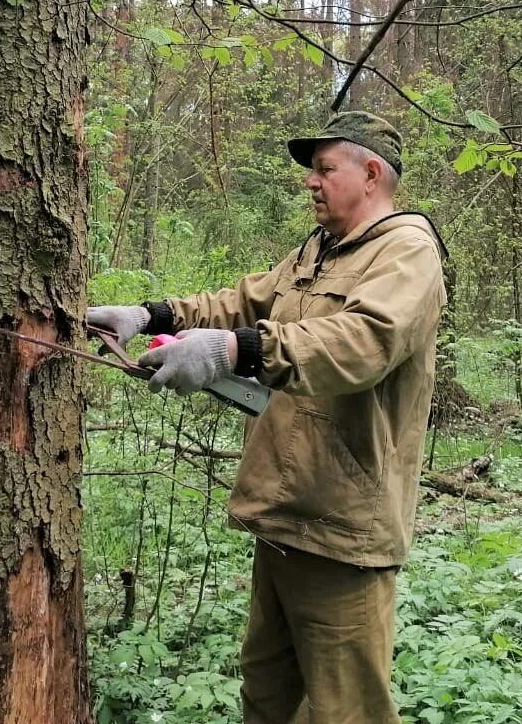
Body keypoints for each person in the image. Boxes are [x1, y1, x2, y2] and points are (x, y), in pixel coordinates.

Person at [87, 111, 447, 724]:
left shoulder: (407, 253)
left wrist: (236, 350)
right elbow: (243, 302)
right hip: (284, 514)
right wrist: (150, 315)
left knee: (346, 708)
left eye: (324, 169)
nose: (311, 182)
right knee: (267, 692)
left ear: (372, 173)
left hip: (344, 528)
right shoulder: (317, 251)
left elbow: (364, 341)